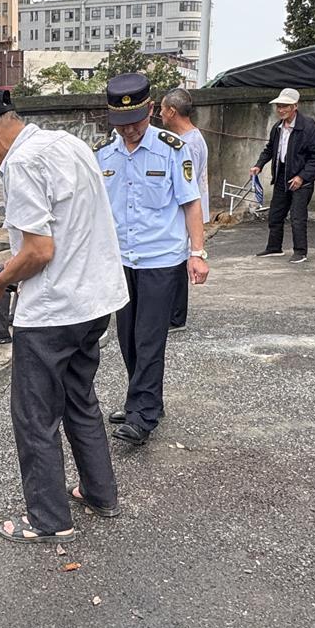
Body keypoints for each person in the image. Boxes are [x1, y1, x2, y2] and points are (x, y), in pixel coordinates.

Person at [0, 91, 129, 545]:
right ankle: (100, 493)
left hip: (53, 310)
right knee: (79, 399)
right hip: (94, 301)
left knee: (35, 416)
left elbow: (38, 250)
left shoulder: (21, 162)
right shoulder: (69, 143)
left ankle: (49, 519)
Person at [96, 73, 210, 447]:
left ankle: (141, 416)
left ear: (150, 111)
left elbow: (191, 203)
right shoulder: (103, 154)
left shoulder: (172, 149)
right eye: (121, 123)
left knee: (149, 338)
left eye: (135, 122)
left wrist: (197, 253)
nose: (129, 130)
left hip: (161, 258)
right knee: (127, 337)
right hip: (122, 259)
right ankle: (144, 401)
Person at [251, 88, 315, 264]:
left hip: (301, 178)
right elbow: (270, 149)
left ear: (294, 106)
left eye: (285, 106)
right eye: (279, 106)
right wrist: (259, 165)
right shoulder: (277, 127)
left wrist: (302, 177)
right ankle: (274, 247)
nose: (280, 110)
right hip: (282, 175)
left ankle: (300, 251)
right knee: (275, 214)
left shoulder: (307, 126)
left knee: (297, 217)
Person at [159, 87, 210, 332]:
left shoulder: (188, 144)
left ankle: (175, 316)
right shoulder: (191, 138)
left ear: (171, 111)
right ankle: (174, 314)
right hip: (186, 210)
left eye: (162, 109)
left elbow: (188, 187)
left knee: (179, 260)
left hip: (185, 211)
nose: (160, 114)